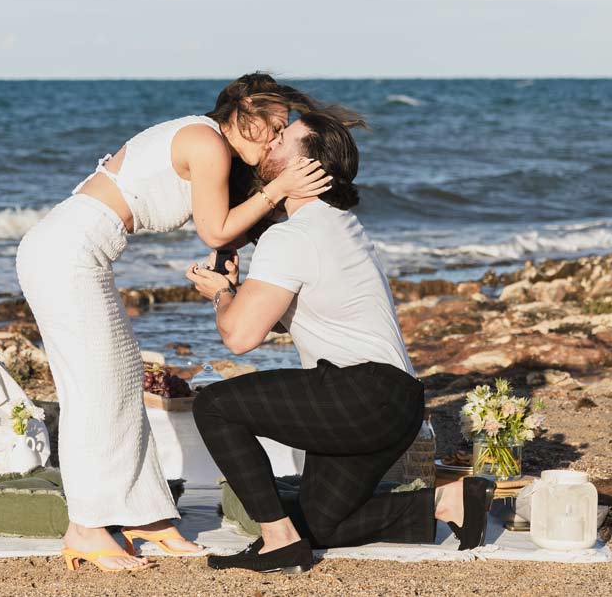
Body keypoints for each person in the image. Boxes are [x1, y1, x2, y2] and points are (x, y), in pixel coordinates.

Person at [15, 73, 338, 572]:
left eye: (282, 131)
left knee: (119, 381)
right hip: (64, 252)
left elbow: (218, 227)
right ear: (245, 108)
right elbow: (213, 224)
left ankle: (145, 517)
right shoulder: (207, 141)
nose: (277, 138)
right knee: (93, 388)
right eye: (274, 125)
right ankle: (85, 526)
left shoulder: (211, 145)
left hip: (79, 253)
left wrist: (226, 250)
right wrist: (279, 188)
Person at [185, 112, 494, 575]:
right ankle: (448, 502)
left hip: (361, 394)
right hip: (396, 406)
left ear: (308, 168)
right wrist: (241, 291)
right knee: (323, 525)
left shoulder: (295, 236)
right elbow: (301, 316)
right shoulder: (339, 225)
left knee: (214, 405)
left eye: (282, 138)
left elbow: (239, 337)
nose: (269, 143)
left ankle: (277, 541)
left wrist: (223, 296)